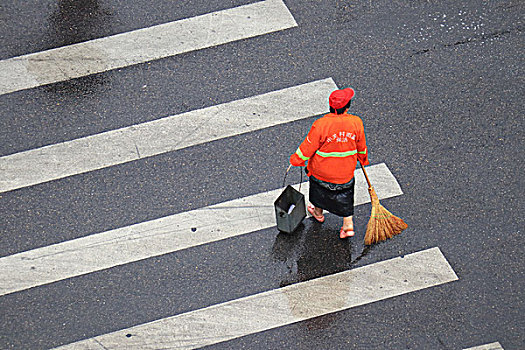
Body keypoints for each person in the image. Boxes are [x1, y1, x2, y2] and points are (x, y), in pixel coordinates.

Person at [289, 87, 369, 239]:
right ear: (348, 107)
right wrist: (363, 159)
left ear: (330, 107)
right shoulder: (356, 123)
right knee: (345, 196)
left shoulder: (321, 124)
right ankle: (347, 225)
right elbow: (361, 147)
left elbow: (308, 147)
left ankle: (318, 213)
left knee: (319, 193)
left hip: (321, 173)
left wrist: (296, 160)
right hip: (345, 174)